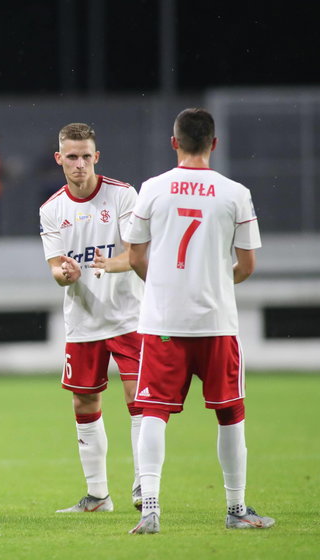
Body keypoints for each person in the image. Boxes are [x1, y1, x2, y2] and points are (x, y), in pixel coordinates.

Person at [125, 108, 273, 534]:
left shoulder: (152, 189)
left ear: (174, 143)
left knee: (152, 411)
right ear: (214, 143)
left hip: (163, 321)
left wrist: (168, 285)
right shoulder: (235, 193)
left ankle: (150, 507)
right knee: (230, 413)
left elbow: (135, 256)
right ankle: (236, 509)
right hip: (215, 321)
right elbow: (246, 265)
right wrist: (210, 281)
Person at [38, 123, 144, 514]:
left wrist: (108, 265)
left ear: (96, 157)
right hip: (82, 320)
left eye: (86, 156)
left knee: (138, 400)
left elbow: (135, 254)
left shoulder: (122, 195)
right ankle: (98, 496)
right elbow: (54, 267)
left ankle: (142, 486)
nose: (79, 163)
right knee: (84, 402)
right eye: (72, 157)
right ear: (59, 159)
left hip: (128, 317)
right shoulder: (52, 209)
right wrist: (64, 274)